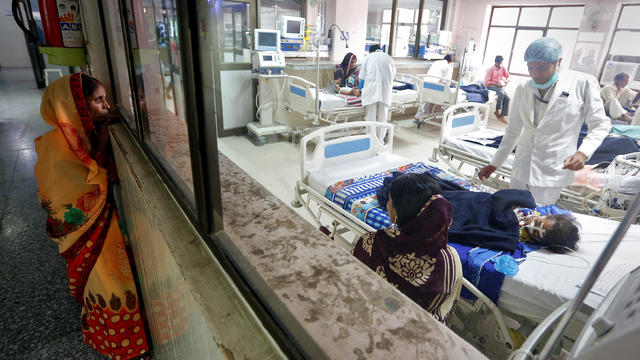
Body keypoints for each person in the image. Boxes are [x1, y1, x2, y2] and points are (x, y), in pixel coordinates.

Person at [34, 74, 150, 359]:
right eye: (98, 101)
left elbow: (95, 166)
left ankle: (128, 337)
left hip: (100, 220)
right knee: (108, 278)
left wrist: (100, 137)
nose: (106, 106)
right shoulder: (56, 147)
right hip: (86, 227)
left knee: (112, 275)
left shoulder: (80, 137)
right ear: (76, 107)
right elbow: (74, 188)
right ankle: (123, 345)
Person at [478, 37, 610, 205]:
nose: (535, 73)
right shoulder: (524, 88)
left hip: (552, 169)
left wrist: (583, 153)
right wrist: (495, 163)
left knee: (537, 220)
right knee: (512, 213)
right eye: (530, 67)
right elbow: (513, 131)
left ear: (558, 62)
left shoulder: (581, 83)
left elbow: (601, 124)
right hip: (522, 167)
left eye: (541, 68)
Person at [352, 173, 463, 324]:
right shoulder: (450, 260)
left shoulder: (371, 242)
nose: (387, 205)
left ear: (398, 212)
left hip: (367, 322)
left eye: (390, 200)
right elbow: (446, 308)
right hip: (422, 337)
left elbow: (352, 280)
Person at [360, 44, 396, 140]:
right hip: (385, 91)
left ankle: (370, 139)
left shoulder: (369, 57)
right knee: (383, 117)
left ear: (370, 51)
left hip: (371, 90)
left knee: (370, 116)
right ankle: (380, 140)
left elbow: (362, 77)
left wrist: (359, 89)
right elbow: (393, 76)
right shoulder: (389, 58)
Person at [484, 55, 510, 123]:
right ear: (495, 62)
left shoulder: (502, 68)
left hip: (498, 86)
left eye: (501, 63)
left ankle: (502, 116)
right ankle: (497, 110)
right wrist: (497, 84)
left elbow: (508, 76)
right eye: (498, 63)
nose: (499, 65)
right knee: (501, 93)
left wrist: (506, 81)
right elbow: (486, 82)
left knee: (507, 98)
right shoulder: (490, 70)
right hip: (490, 86)